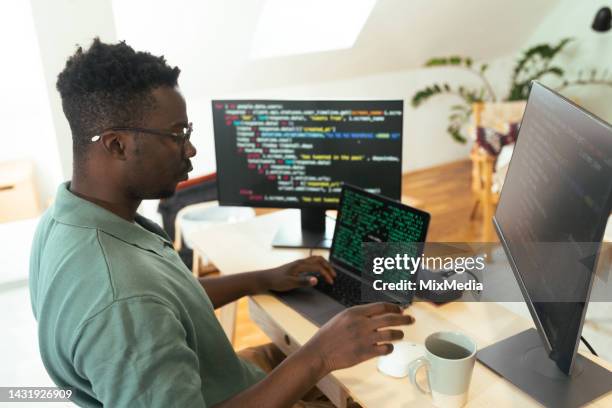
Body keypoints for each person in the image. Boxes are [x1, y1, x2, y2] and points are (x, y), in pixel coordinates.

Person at [29, 39, 414, 408]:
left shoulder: (65, 220)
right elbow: (138, 307)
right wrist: (319, 356)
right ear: (117, 145)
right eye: (177, 134)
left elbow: (169, 299)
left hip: (223, 378)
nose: (190, 148)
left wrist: (261, 279)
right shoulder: (123, 302)